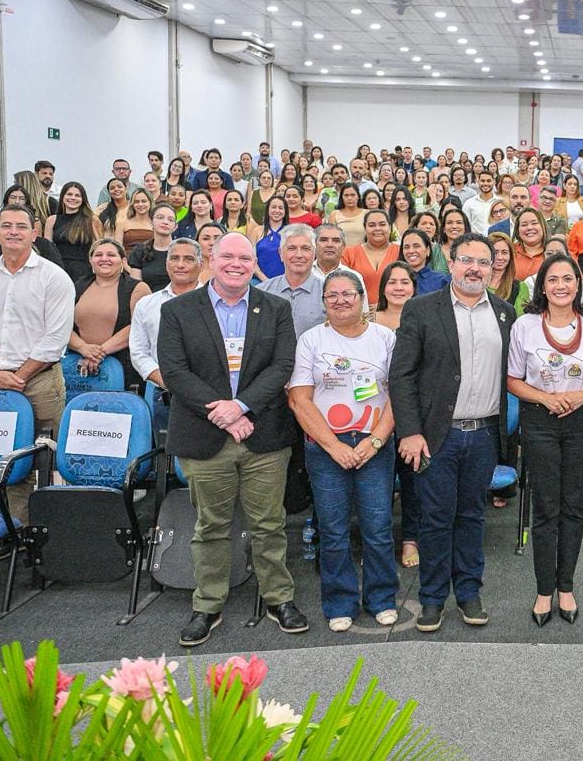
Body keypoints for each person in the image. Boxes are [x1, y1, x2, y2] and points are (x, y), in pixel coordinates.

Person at [157, 231, 307, 646]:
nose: (237, 264)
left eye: (245, 257)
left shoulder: (275, 308)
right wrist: (222, 411)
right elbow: (175, 371)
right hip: (206, 435)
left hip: (263, 434)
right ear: (212, 256)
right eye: (228, 256)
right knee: (210, 527)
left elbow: (282, 365)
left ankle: (279, 599)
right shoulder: (178, 310)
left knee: (269, 524)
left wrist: (241, 407)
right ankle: (207, 604)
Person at [389, 233, 516, 633]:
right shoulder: (421, 309)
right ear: (451, 261)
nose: (475, 268)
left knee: (471, 516)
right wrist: (409, 432)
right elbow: (402, 375)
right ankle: (431, 599)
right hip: (435, 436)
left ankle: (468, 592)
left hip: (483, 435)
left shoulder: (505, 312)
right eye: (467, 260)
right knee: (436, 519)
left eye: (484, 261)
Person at [288, 270, 398, 632]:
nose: (339, 300)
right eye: (331, 295)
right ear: (323, 303)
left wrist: (375, 441)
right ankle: (339, 603)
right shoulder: (311, 340)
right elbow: (299, 399)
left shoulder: (385, 338)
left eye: (347, 293)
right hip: (326, 447)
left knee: (378, 527)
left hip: (375, 444)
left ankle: (381, 598)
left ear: (362, 297)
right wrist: (332, 446)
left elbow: (398, 396)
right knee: (333, 530)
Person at [0, 205, 74, 560]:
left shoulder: (54, 277)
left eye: (21, 226)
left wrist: (20, 376)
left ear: (35, 234)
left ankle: (45, 537)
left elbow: (55, 338)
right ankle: (12, 534)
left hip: (40, 382)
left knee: (43, 459)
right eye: (6, 226)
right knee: (0, 461)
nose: (14, 231)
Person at [507, 254, 583, 626]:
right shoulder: (525, 326)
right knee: (546, 508)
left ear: (578, 285)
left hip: (581, 421)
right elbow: (513, 379)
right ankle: (544, 590)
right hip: (539, 421)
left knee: (573, 505)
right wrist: (547, 398)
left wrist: (579, 397)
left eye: (568, 279)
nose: (561, 286)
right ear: (542, 286)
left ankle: (567, 586)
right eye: (553, 280)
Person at [369, 260, 420, 569]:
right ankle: (379, 539)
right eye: (392, 281)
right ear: (383, 286)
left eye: (405, 282)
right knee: (378, 480)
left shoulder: (424, 317)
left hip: (411, 411)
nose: (399, 287)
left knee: (412, 478)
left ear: (414, 287)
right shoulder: (368, 319)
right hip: (372, 411)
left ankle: (411, 538)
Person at [129, 238, 202, 435]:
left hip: (206, 394)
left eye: (188, 259)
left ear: (201, 265)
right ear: (166, 263)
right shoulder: (147, 304)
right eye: (174, 258)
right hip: (161, 392)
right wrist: (165, 380)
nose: (180, 264)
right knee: (164, 457)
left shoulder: (218, 303)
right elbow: (138, 351)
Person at [70, 238, 151, 388]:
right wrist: (83, 348)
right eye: (98, 255)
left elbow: (138, 327)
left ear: (123, 260)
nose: (104, 259)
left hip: (124, 367)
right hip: (80, 365)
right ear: (91, 260)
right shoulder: (77, 286)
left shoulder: (138, 288)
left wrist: (98, 353)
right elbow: (63, 324)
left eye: (111, 255)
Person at [256, 224, 324, 338]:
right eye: (291, 248)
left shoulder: (328, 294)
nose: (298, 255)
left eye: (305, 249)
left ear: (314, 254)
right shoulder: (262, 292)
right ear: (281, 254)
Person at [44, 181, 101, 282]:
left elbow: (98, 247)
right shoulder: (51, 220)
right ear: (62, 196)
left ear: (83, 199)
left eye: (77, 195)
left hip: (84, 272)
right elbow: (47, 249)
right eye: (69, 194)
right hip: (58, 270)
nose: (73, 198)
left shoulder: (91, 220)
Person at [341, 209, 401, 305]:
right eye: (372, 225)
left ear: (390, 227)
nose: (377, 228)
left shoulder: (401, 252)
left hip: (395, 312)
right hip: (359, 314)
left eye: (382, 224)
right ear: (365, 228)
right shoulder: (349, 253)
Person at [127, 203, 178, 291]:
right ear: (151, 222)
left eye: (170, 220)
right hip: (148, 300)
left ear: (175, 226)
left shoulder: (181, 250)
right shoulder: (140, 251)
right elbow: (136, 287)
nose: (165, 222)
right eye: (160, 217)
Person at [398, 227, 451, 295]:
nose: (410, 251)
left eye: (416, 246)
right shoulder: (395, 279)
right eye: (406, 247)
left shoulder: (442, 281)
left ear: (428, 250)